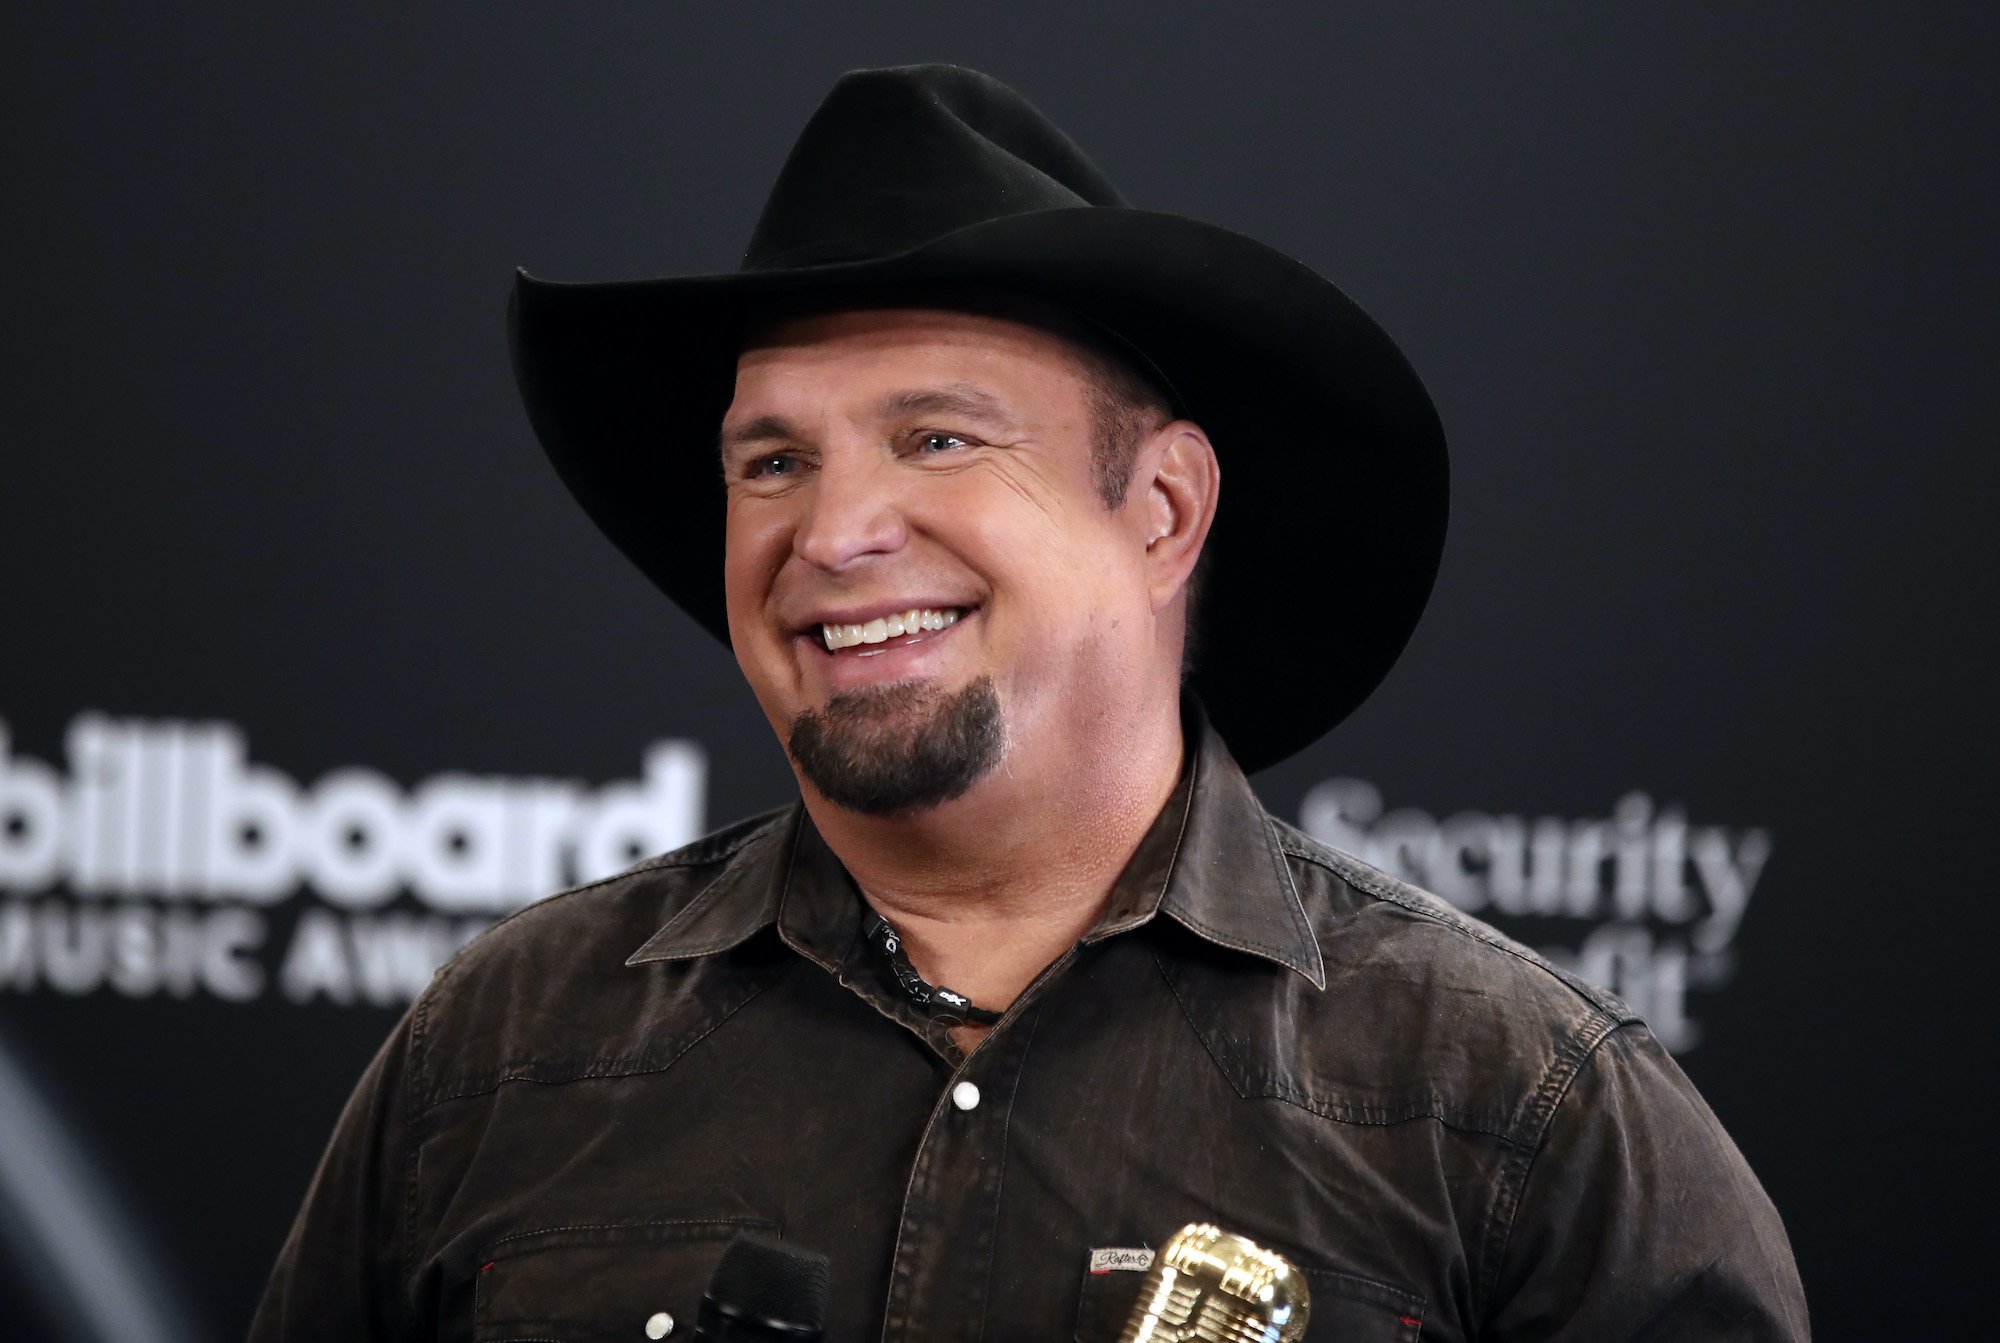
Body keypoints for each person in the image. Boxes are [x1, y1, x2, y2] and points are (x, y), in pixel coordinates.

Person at [252, 64, 1808, 1342]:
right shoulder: (505, 1053)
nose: (835, 533)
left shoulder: (1516, 1111)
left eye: (937, 440)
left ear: (1164, 513)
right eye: (773, 461)